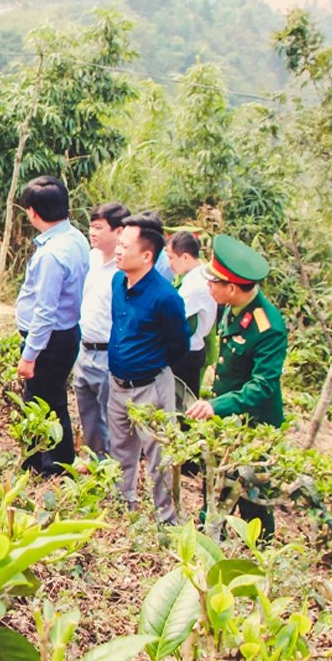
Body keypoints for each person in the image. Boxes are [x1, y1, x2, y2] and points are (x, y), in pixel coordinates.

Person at [186, 234, 288, 540]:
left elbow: (263, 385)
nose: (208, 287)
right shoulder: (231, 308)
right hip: (226, 420)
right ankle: (210, 537)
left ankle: (262, 550)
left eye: (214, 283)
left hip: (253, 426)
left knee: (251, 493)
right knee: (214, 482)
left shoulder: (268, 327)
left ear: (231, 288)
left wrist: (217, 405)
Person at [106, 213, 189, 525]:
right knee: (121, 448)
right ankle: (122, 502)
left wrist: (150, 363)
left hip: (151, 386)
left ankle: (167, 519)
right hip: (118, 384)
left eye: (124, 246)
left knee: (159, 455)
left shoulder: (166, 297)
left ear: (146, 255)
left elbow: (179, 344)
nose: (117, 250)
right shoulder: (118, 281)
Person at [15, 176, 90, 475]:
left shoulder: (52, 254)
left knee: (44, 402)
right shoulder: (75, 239)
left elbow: (45, 311)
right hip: (66, 333)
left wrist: (30, 354)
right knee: (50, 398)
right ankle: (41, 460)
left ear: (33, 212)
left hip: (49, 339)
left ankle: (51, 465)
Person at [73, 202, 128, 463]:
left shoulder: (124, 269)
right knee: (88, 413)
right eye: (91, 227)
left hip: (109, 353)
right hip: (85, 347)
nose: (92, 233)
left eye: (98, 228)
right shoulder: (91, 258)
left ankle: (116, 474)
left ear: (118, 232)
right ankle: (97, 463)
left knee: (112, 416)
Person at [168, 230, 218, 400]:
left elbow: (171, 316)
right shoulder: (198, 275)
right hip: (192, 349)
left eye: (171, 258)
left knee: (182, 406)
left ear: (186, 257)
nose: (169, 264)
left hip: (186, 354)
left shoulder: (195, 286)